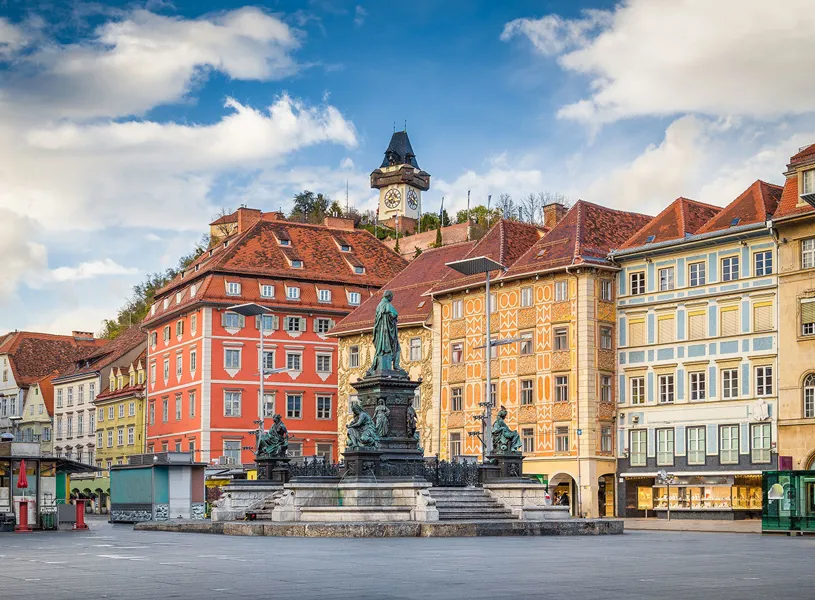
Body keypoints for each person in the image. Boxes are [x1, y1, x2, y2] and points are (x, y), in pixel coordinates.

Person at [368, 290, 402, 374]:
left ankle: (395, 365)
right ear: (389, 296)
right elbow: (394, 314)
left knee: (385, 350)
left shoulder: (379, 306)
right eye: (392, 297)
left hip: (381, 333)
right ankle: (396, 366)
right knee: (397, 348)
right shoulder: (387, 305)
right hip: (387, 334)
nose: (392, 298)